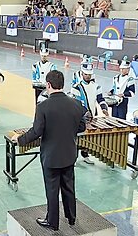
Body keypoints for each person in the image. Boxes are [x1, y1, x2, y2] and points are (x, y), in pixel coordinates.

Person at [12, 70, 87, 231]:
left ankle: (52, 222)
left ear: (48, 85)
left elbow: (36, 132)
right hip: (69, 154)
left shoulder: (43, 106)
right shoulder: (76, 104)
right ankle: (71, 217)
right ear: (62, 84)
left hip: (51, 157)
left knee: (52, 190)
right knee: (69, 187)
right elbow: (82, 127)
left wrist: (20, 139)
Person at [71, 63, 108, 164]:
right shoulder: (76, 87)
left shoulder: (96, 86)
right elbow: (76, 103)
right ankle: (73, 158)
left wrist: (104, 108)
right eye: (86, 74)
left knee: (87, 138)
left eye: (89, 74)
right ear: (82, 73)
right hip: (79, 117)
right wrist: (85, 112)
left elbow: (100, 99)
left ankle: (85, 155)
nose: (88, 76)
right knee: (77, 137)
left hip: (92, 117)